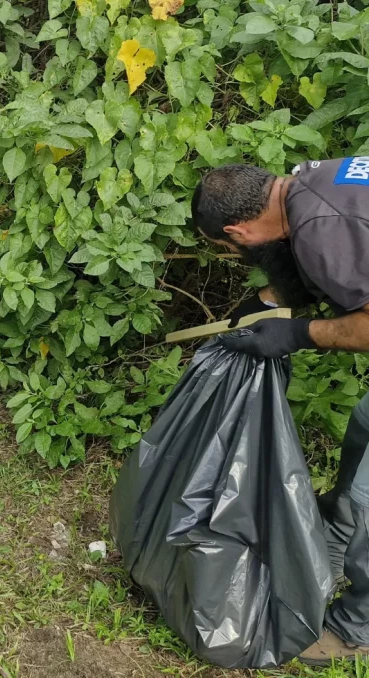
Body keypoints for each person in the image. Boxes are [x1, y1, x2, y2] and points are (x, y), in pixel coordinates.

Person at [191, 159, 369, 665]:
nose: (241, 253)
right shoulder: (316, 179)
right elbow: (327, 262)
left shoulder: (321, 229)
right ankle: (329, 555)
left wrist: (297, 334)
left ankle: (358, 628)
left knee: (368, 496)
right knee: (363, 428)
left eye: (231, 248)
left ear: (238, 230)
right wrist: (265, 303)